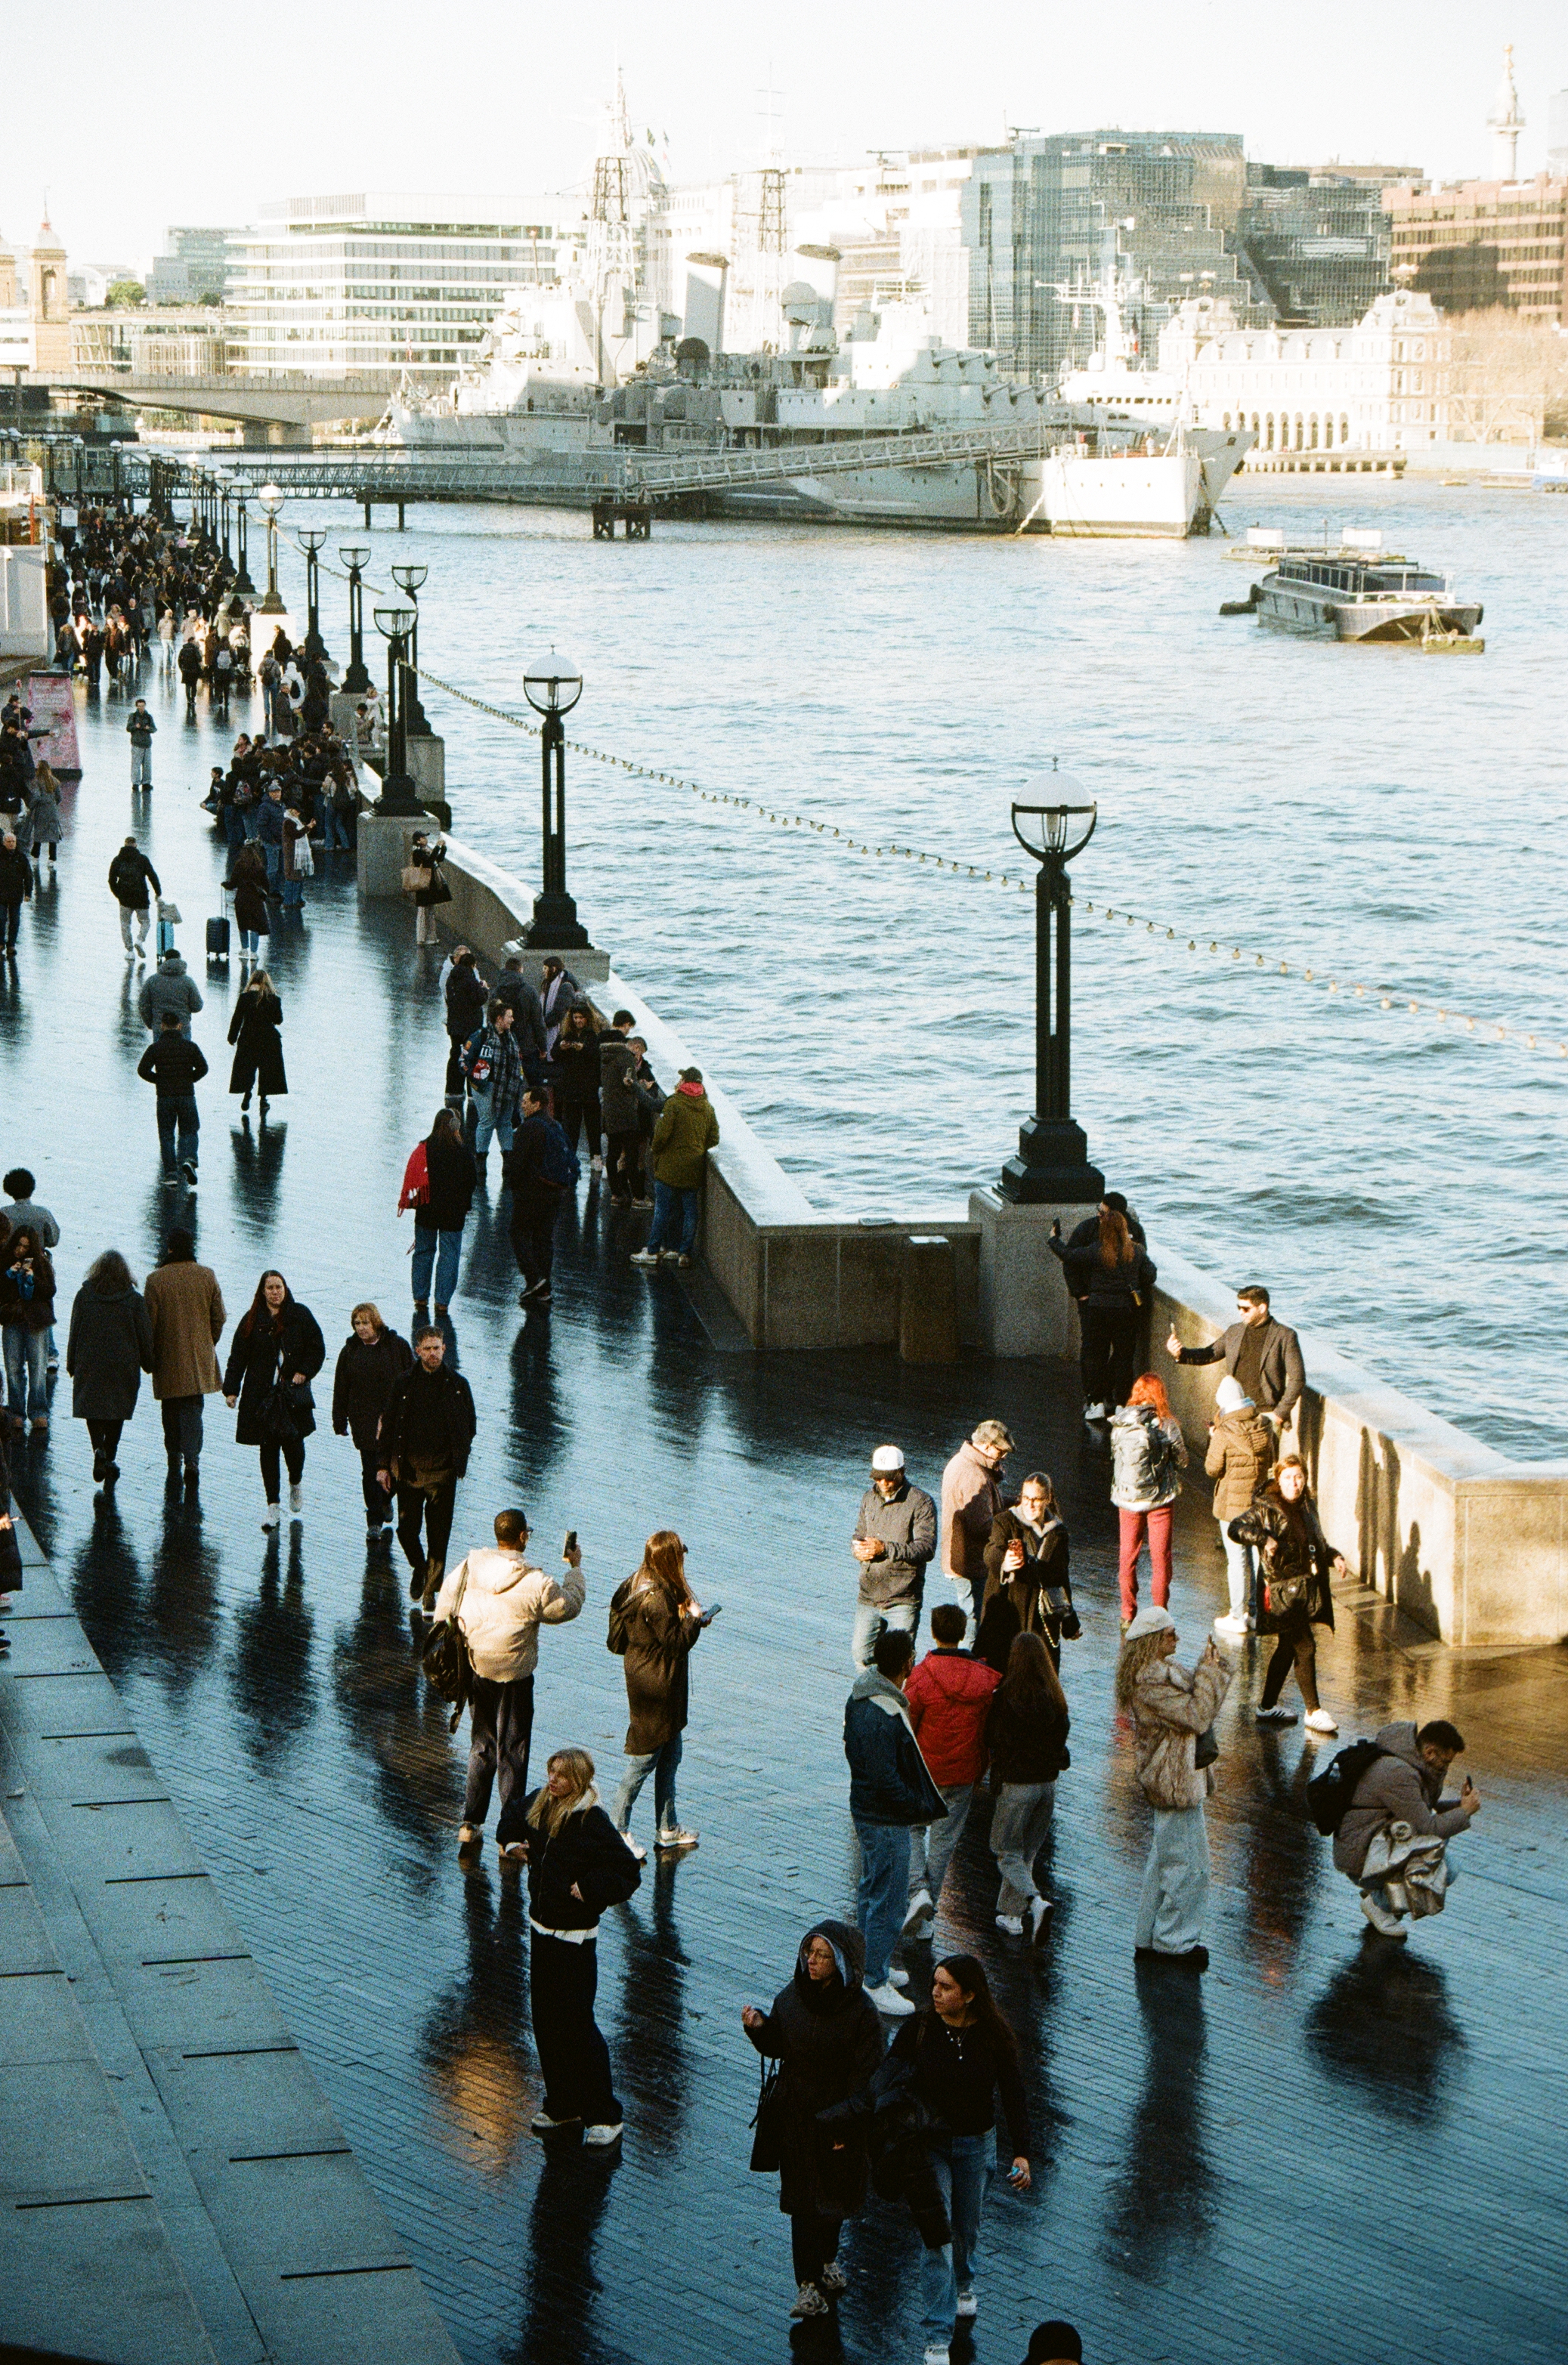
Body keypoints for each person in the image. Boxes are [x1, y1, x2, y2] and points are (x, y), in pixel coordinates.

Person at [878, 1956, 1030, 2362]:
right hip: (931, 2146)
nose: (935, 1993)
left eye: (946, 1988)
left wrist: (1023, 2151)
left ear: (969, 1995)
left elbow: (1013, 2095)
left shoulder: (994, 2037)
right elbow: (885, 2079)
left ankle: (965, 2281)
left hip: (976, 2145)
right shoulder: (920, 2029)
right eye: (935, 1984)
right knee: (938, 2236)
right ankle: (938, 2334)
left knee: (967, 2227)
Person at [741, 1921, 883, 2323]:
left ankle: (825, 2261)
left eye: (822, 1956)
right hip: (797, 2119)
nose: (813, 1962)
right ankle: (807, 2284)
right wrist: (759, 2029)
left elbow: (867, 2079)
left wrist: (842, 2123)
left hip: (837, 2121)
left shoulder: (862, 2015)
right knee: (803, 2203)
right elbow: (780, 2045)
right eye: (810, 1953)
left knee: (832, 2201)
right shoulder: (791, 1998)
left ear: (842, 1963)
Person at [432, 1511, 585, 1855]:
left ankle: (470, 1824)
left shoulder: (472, 1565)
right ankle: (510, 1835)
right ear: (522, 1538)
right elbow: (569, 1606)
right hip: (515, 1677)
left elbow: (444, 1609)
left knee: (481, 1746)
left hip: (478, 1670)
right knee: (513, 1751)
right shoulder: (535, 1581)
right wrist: (575, 1569)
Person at [515, 1747, 641, 2147]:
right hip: (541, 1931)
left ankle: (605, 2113)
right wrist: (511, 1843)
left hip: (573, 1941)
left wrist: (588, 1889)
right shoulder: (542, 1804)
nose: (553, 1781)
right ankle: (563, 2104)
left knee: (577, 2025)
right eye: (551, 1772)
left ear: (580, 1781)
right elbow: (510, 1814)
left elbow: (626, 1870)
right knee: (546, 2022)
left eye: (562, 1776)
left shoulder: (591, 1821)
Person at [1117, 1606, 1232, 1968]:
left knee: (1164, 1861)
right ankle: (1173, 1942)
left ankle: (1150, 1935)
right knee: (1189, 1866)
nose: (1177, 1639)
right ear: (1152, 1641)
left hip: (1175, 1778)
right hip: (1173, 1781)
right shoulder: (1152, 1683)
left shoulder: (1157, 1675)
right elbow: (1197, 1716)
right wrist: (1211, 1672)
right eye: (1170, 1634)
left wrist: (1207, 1670)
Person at [845, 1628, 950, 2017]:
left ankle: (872, 1962)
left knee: (871, 1889)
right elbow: (887, 1776)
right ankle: (874, 1979)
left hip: (866, 1810)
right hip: (886, 1818)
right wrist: (912, 1805)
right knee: (888, 1900)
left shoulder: (861, 1697)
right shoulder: (885, 1711)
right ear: (906, 1663)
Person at [608, 1529, 713, 1860]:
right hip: (657, 1683)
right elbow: (675, 1643)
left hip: (646, 1673)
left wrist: (685, 1619)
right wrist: (694, 1620)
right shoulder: (656, 1598)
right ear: (670, 1559)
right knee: (644, 1758)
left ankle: (667, 1828)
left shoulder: (635, 1583)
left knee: (670, 1754)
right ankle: (617, 1828)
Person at [901, 1603, 1000, 1942]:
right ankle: (929, 1914)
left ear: (933, 1631)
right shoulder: (984, 1679)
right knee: (944, 1843)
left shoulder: (921, 1675)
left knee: (912, 1828)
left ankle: (918, 1893)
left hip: (925, 1769)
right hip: (962, 1772)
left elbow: (908, 1725)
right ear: (962, 1632)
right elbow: (988, 1731)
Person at [1227, 1455, 1346, 1735]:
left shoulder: (1307, 1506)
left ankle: (1267, 1707)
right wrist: (1263, 1538)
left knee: (1286, 1648)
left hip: (1303, 1589)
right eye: (1289, 1478)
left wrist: (1334, 1556)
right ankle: (1313, 1711)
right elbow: (1235, 1528)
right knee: (1305, 1646)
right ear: (1278, 1480)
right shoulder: (1266, 1508)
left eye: (1299, 1477)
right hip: (1281, 1591)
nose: (1295, 1483)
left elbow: (1315, 1545)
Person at [1333, 1717, 1480, 1939]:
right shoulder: (1399, 1774)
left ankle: (1382, 1890)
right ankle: (1379, 1904)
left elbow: (1423, 1806)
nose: (1446, 1768)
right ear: (1430, 1753)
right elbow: (1428, 1828)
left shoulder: (1409, 1760)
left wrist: (1460, 1805)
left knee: (1440, 1845)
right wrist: (1465, 1812)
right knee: (1446, 1869)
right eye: (1446, 1762)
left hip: (1374, 1840)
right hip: (1359, 1853)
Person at [377, 1325, 476, 1609]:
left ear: (444, 1349)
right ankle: (420, 1568)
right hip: (409, 1473)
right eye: (428, 1349)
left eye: (438, 1348)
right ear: (417, 1351)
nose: (434, 1353)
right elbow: (389, 1426)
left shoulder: (458, 1385)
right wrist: (383, 1466)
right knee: (407, 1530)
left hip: (443, 1474)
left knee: (439, 1535)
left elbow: (469, 1424)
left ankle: (432, 1592)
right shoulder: (404, 1383)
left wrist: (458, 1456)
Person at [222, 1271, 326, 1529]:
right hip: (262, 1396)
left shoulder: (300, 1315)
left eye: (278, 1287)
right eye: (269, 1288)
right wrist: (231, 1389)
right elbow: (238, 1356)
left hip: (291, 1393)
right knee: (267, 1448)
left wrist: (305, 1371)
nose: (275, 1292)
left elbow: (317, 1347)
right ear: (262, 1291)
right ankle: (272, 1505)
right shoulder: (252, 1320)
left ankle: (295, 1483)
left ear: (285, 1289)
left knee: (294, 1444)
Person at [985, 1631, 1071, 1940]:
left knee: (1006, 1851)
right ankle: (1012, 1916)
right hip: (1047, 1785)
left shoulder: (1006, 1698)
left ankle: (1035, 1902)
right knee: (1027, 1854)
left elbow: (994, 1740)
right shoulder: (1055, 1698)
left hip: (1017, 1785)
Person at [1048, 1201, 1157, 1421]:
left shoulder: (1097, 1250)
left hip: (1097, 1310)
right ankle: (1120, 1404)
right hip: (1126, 1311)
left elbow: (1068, 1256)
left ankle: (1096, 1403)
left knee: (1095, 1355)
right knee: (1124, 1357)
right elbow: (1151, 1274)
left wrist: (1053, 1239)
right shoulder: (1136, 1251)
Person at [142, 1230, 225, 1486]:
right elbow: (219, 1317)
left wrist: (150, 1354)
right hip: (198, 1357)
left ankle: (173, 1458)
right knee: (193, 1409)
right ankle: (192, 1460)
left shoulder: (156, 1280)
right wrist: (207, 1342)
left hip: (168, 1356)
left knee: (170, 1409)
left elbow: (149, 1325)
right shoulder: (207, 1275)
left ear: (169, 1249)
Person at [978, 1470, 1079, 1675]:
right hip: (1008, 1611)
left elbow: (1062, 1578)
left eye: (1036, 1499)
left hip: (1041, 1619)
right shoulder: (1005, 1521)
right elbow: (991, 1552)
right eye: (1026, 1498)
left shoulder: (1058, 1532)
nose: (1030, 1504)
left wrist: (1070, 1620)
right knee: (1001, 1674)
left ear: (1048, 1499)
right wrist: (1005, 1562)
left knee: (1040, 1680)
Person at [1167, 1285, 1306, 1435]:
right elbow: (1209, 1354)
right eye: (1238, 1307)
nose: (1241, 1312)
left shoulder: (1285, 1336)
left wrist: (1279, 1414)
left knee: (1262, 1459)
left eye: (1246, 1309)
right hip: (1233, 1411)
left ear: (1262, 1308)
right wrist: (1180, 1353)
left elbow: (1297, 1379)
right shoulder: (1235, 1331)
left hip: (1265, 1414)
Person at [66, 1251, 153, 1486]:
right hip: (123, 1366)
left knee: (93, 1410)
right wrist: (149, 1363)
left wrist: (71, 1362)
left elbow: (75, 1330)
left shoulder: (84, 1296)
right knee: (117, 1412)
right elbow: (144, 1336)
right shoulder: (134, 1301)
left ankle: (97, 1449)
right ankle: (110, 1455)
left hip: (90, 1362)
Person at [850, 1444, 938, 1672]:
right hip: (869, 1593)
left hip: (903, 1596)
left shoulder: (921, 1502)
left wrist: (885, 1549)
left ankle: (899, 1704)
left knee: (901, 1662)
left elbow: (926, 1548)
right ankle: (872, 1703)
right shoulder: (868, 1499)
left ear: (902, 1471)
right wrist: (858, 1549)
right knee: (861, 1655)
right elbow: (859, 1534)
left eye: (889, 1478)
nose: (884, 1483)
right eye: (878, 1478)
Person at [1109, 1374, 1187, 1628]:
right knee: (1160, 1558)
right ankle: (1160, 1613)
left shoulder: (1120, 1423)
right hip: (1159, 1500)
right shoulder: (1166, 1424)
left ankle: (1127, 1613)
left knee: (1127, 1558)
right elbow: (1182, 1460)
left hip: (1127, 1499)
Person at [1205, 1375, 1277, 1638]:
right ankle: (1257, 1613)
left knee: (1236, 1560)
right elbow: (1272, 1459)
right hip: (1258, 1505)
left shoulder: (1223, 1432)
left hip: (1232, 1507)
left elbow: (1212, 1469)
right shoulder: (1265, 1426)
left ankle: (1237, 1615)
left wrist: (1214, 1438)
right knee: (1259, 1559)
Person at [631, 1065, 719, 1269]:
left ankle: (653, 1251)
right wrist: (696, 1148)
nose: (677, 1083)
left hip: (669, 1167)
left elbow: (661, 1136)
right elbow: (714, 1138)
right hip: (693, 1168)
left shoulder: (674, 1104)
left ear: (685, 1083)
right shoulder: (707, 1107)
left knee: (662, 1209)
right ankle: (682, 1251)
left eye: (681, 1080)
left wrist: (657, 1150)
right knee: (689, 1211)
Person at [398, 1108, 476, 1318]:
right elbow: (472, 1181)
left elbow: (412, 1177)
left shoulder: (424, 1149)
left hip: (427, 1211)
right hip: (453, 1213)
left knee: (424, 1251)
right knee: (449, 1254)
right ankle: (442, 1301)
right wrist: (465, 1204)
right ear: (456, 1127)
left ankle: (420, 1297)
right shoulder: (463, 1152)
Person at [502, 1085, 575, 1309]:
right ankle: (544, 1289)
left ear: (537, 1104)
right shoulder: (556, 1126)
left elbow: (517, 1165)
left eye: (526, 1101)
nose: (522, 1105)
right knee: (544, 1239)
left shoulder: (528, 1129)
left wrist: (513, 1186)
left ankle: (535, 1279)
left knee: (518, 1232)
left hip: (531, 1193)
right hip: (554, 1193)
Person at [939, 1420, 1013, 1636]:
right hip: (971, 1564)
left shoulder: (964, 1462)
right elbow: (983, 1526)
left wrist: (1013, 1503)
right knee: (973, 1622)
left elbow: (987, 1503)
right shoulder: (974, 1475)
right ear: (987, 1446)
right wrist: (1013, 1521)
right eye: (1001, 1450)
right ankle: (970, 1665)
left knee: (971, 1616)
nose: (1004, 1456)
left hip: (961, 1560)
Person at [137, 1014, 208, 1189]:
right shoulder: (190, 1047)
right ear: (179, 1026)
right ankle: (189, 1159)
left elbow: (142, 1070)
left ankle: (171, 1174)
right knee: (190, 1130)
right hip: (186, 1095)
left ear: (162, 1027)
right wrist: (190, 1078)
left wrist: (159, 1080)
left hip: (165, 1097)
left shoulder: (156, 1048)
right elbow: (203, 1068)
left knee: (167, 1135)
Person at [1, 1228, 54, 1436]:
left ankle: (38, 1411)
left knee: (37, 1366)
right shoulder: (4, 1262)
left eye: (25, 1246)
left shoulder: (42, 1265)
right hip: (13, 1319)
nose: (21, 1250)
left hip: (35, 1321)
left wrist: (33, 1279)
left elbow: (50, 1290)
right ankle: (17, 1413)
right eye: (18, 1245)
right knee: (13, 1368)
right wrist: (9, 1276)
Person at [464, 997, 523, 1175]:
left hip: (507, 1088)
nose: (512, 1020)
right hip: (486, 1087)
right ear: (499, 1019)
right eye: (509, 1016)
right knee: (487, 1122)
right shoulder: (481, 1036)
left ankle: (508, 1159)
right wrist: (475, 1077)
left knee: (505, 1122)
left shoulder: (511, 1037)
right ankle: (480, 1160)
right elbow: (464, 1058)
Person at [549, 1002, 602, 1173]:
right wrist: (562, 1048)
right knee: (571, 1126)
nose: (578, 1021)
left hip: (589, 1087)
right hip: (571, 1087)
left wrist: (583, 1049)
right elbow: (554, 1054)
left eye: (581, 1018)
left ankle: (596, 1157)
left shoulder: (593, 1035)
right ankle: (570, 1158)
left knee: (593, 1125)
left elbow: (596, 1056)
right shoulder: (567, 1033)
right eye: (576, 1018)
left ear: (587, 1018)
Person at [226, 970, 286, 1115]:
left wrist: (232, 1037)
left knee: (248, 1068)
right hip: (269, 1039)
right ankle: (263, 1100)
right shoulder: (274, 999)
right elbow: (278, 1020)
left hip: (248, 1038)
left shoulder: (245, 998)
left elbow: (237, 1019)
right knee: (267, 1071)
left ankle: (247, 1093)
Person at [598, 1010, 642, 1206]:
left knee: (613, 1152)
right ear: (625, 1025)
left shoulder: (601, 1049)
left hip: (609, 1109)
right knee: (631, 1156)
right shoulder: (625, 1055)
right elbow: (629, 1084)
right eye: (628, 1027)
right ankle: (639, 1197)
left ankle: (616, 1194)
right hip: (625, 1111)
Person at [488, 957, 548, 1089]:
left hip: (502, 1045)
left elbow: (490, 1020)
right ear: (521, 970)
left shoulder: (497, 992)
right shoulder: (529, 991)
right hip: (527, 1046)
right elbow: (538, 1021)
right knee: (535, 1086)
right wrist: (543, 1047)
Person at [443, 948, 490, 1101]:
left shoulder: (451, 978)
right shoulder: (470, 979)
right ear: (472, 965)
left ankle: (453, 1089)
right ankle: (472, 1091)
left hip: (455, 1026)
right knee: (472, 1057)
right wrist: (485, 990)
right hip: (470, 1026)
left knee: (456, 1055)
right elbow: (480, 998)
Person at [109, 836, 160, 957]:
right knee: (145, 922)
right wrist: (158, 893)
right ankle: (140, 940)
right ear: (135, 845)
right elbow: (152, 876)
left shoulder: (117, 860)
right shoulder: (142, 859)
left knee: (125, 924)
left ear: (124, 844)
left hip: (125, 898)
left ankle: (130, 951)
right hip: (141, 896)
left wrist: (119, 894)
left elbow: (111, 880)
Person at [137, 948, 203, 1040]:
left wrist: (152, 1024)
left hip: (160, 1029)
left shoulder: (152, 981)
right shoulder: (188, 982)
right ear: (179, 960)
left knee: (160, 1053)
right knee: (184, 1053)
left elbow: (143, 1005)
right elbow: (197, 1006)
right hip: (182, 1029)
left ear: (165, 960)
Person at [226, 840, 271, 960]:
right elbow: (266, 884)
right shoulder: (259, 867)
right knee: (254, 926)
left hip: (241, 899)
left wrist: (225, 885)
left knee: (243, 925)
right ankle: (254, 953)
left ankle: (244, 949)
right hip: (255, 900)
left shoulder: (239, 865)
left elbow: (232, 884)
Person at [408, 830, 450, 946]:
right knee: (423, 912)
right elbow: (429, 862)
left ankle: (431, 937)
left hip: (430, 885)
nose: (425, 839)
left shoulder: (427, 850)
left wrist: (443, 848)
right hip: (423, 885)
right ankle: (421, 938)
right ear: (418, 841)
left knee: (430, 912)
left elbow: (438, 859)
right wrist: (437, 846)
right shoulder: (417, 853)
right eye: (423, 838)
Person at [25, 764, 62, 868]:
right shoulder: (55, 781)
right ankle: (52, 858)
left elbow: (36, 797)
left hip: (41, 811)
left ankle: (36, 857)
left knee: (39, 834)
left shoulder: (37, 782)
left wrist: (31, 806)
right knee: (52, 835)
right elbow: (59, 798)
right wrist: (53, 805)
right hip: (52, 811)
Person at [0, 830, 30, 957]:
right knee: (1, 919)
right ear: (4, 843)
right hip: (1, 894)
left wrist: (28, 893)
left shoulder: (21, 857)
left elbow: (28, 876)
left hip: (15, 895)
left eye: (13, 842)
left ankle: (11, 945)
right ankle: (1, 942)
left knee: (15, 921)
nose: (11, 844)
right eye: (9, 842)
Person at [539, 955, 578, 1053]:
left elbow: (559, 1013)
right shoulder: (549, 983)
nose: (543, 971)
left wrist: (541, 1025)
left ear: (553, 969)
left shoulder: (566, 986)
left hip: (558, 1033)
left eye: (545, 968)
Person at [126, 698, 156, 787]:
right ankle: (135, 783)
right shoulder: (133, 716)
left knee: (147, 765)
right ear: (137, 706)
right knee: (136, 764)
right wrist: (135, 726)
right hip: (137, 744)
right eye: (139, 706)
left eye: (142, 706)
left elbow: (154, 729)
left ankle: (146, 783)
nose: (141, 708)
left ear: (145, 706)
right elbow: (128, 728)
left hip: (147, 744)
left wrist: (148, 729)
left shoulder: (149, 717)